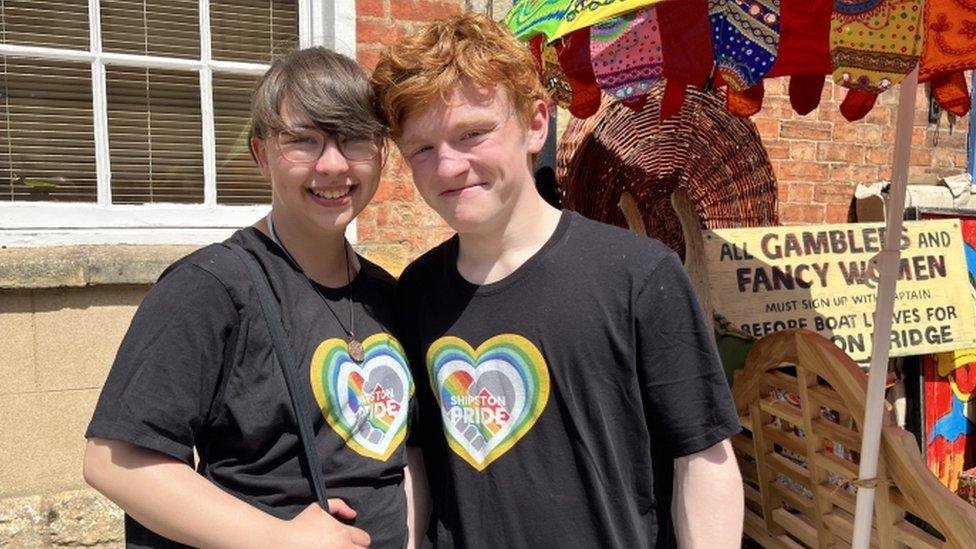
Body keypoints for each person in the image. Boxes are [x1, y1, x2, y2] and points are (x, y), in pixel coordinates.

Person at [372, 13, 744, 548]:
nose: (449, 166)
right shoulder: (414, 292)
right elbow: (418, 460)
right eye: (422, 149)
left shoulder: (639, 275)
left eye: (472, 133)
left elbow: (703, 456)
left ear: (536, 124)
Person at [84, 47, 414, 548]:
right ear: (262, 155)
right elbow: (115, 462)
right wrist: (280, 541)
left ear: (381, 153)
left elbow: (406, 453)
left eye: (354, 139)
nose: (332, 165)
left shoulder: (386, 295)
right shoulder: (211, 286)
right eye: (304, 141)